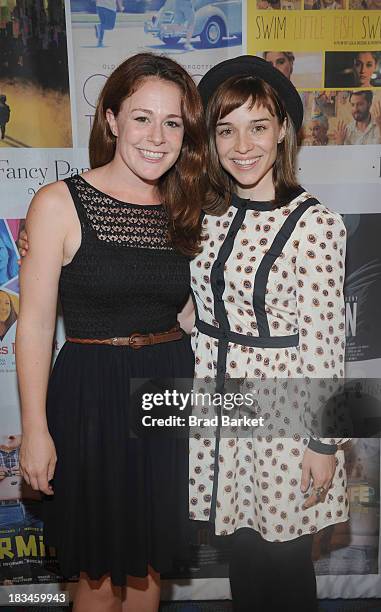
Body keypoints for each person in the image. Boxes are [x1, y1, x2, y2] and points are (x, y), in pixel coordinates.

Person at [15, 52, 207, 612]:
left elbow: (191, 307)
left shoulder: (187, 205)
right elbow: (32, 329)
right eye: (142, 117)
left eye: (172, 122)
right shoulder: (57, 203)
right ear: (112, 119)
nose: (157, 136)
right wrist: (34, 429)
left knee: (149, 568)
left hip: (168, 385)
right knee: (96, 575)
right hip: (92, 394)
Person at [186, 56, 349, 611]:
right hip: (225, 409)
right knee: (245, 562)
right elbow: (200, 307)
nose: (242, 145)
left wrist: (323, 444)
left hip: (288, 418)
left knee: (284, 566)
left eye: (258, 126)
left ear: (283, 128)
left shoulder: (315, 223)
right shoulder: (207, 213)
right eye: (225, 129)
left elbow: (327, 342)